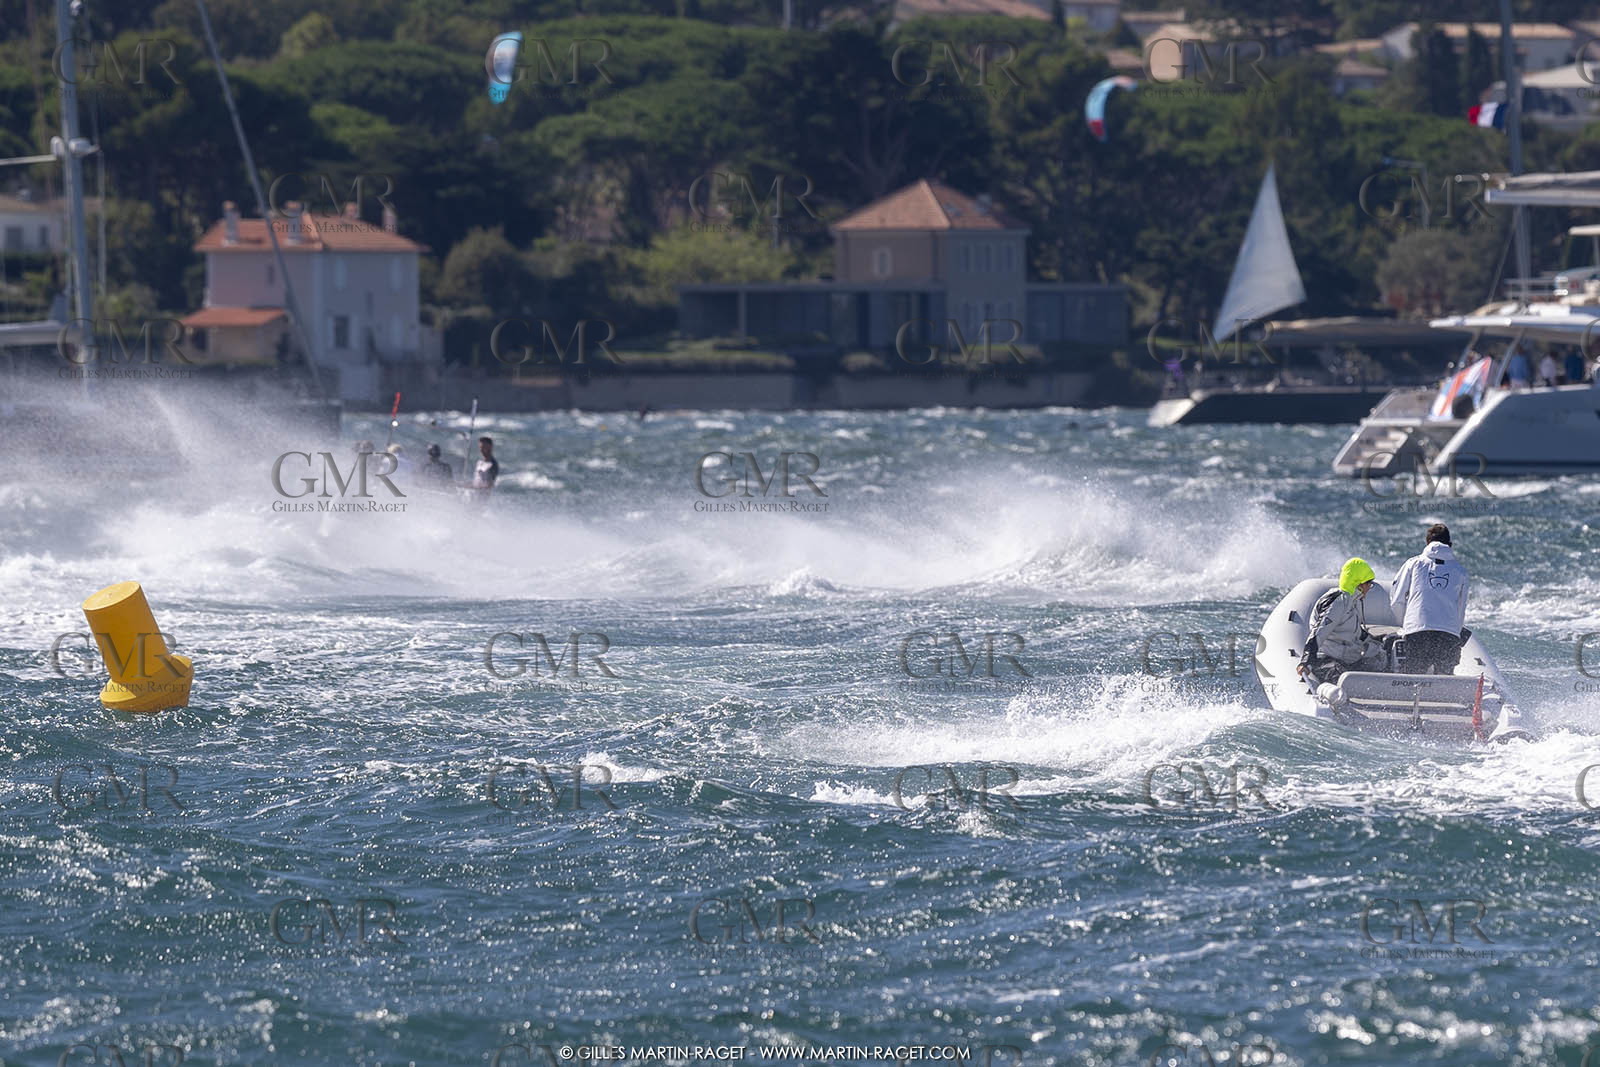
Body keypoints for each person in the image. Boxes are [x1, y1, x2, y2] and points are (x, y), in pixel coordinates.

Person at [1389, 524, 1470, 676]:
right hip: (1448, 635)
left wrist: (1406, 625)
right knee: (1444, 686)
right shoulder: (1461, 571)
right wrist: (1456, 633)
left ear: (1427, 543)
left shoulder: (1414, 564)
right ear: (1450, 545)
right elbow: (1461, 608)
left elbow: (1397, 599)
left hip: (1417, 631)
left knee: (1413, 680)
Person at [1298, 558, 1388, 685]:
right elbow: (1318, 633)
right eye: (1369, 583)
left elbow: (1353, 631)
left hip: (1346, 658)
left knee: (1382, 659)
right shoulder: (1338, 602)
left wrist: (1378, 641)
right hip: (1327, 659)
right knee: (1340, 675)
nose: (1369, 587)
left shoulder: (1352, 601)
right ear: (1360, 584)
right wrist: (1306, 661)